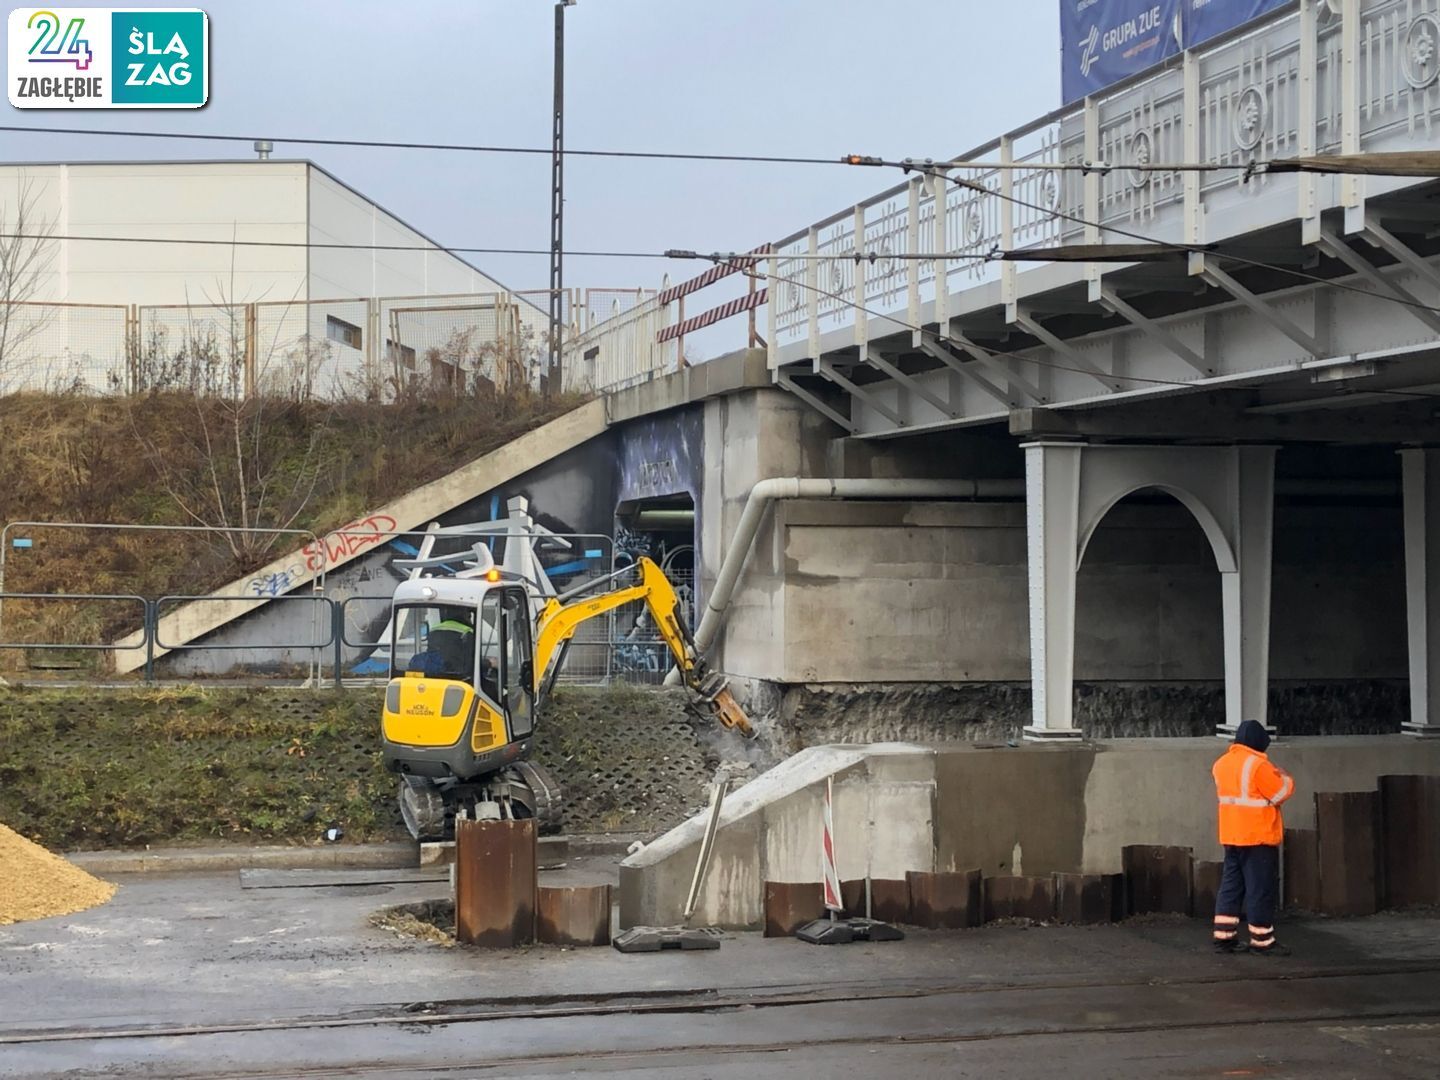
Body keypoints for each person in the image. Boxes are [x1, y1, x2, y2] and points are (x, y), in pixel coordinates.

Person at [1211, 719, 1294, 956]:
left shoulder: (1221, 764)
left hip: (1230, 834)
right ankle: (1262, 941)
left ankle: (1224, 937)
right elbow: (1280, 793)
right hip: (1257, 836)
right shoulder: (1258, 765)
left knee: (1231, 886)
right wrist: (1286, 777)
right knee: (1260, 888)